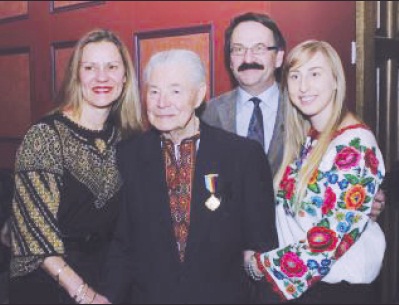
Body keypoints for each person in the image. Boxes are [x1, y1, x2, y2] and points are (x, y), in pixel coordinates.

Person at [101, 49, 277, 304]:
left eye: (175, 91)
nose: (162, 103)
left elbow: (261, 246)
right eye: (153, 92)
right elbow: (121, 245)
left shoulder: (242, 156)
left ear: (199, 95)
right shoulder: (128, 156)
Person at [201, 12, 386, 220]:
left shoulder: (308, 109)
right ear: (230, 59)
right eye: (238, 49)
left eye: (259, 48)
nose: (248, 58)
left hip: (294, 244)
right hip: (229, 243)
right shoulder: (206, 115)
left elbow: (343, 180)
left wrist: (360, 197)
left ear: (279, 57)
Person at [8, 28, 143, 304]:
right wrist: (83, 293)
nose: (101, 77)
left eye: (112, 67)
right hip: (50, 281)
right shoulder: (45, 135)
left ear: (125, 76)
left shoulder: (128, 138)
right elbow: (35, 235)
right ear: (76, 75)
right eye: (90, 67)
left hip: (107, 275)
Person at [248, 40, 386, 304]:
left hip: (338, 292)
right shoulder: (309, 139)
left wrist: (260, 266)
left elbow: (331, 237)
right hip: (307, 290)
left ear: (336, 81)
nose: (303, 86)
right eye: (295, 75)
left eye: (315, 74)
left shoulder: (354, 145)